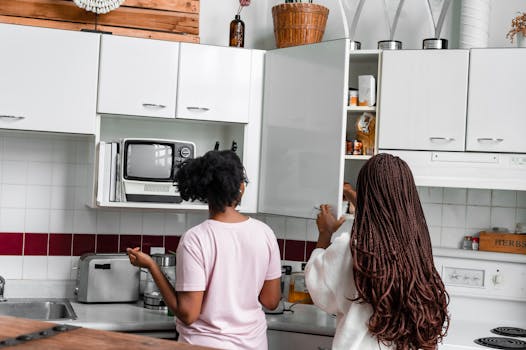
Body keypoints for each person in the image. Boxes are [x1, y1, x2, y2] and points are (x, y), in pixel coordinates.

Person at [127, 150, 281, 350]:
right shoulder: (265, 233)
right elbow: (271, 301)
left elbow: (189, 314)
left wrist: (151, 265)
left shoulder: (196, 239)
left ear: (204, 191)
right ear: (240, 188)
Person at [305, 153, 449, 350]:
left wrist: (324, 234)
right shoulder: (416, 246)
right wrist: (353, 195)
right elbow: (383, 213)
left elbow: (319, 291)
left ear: (365, 194)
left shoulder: (350, 247)